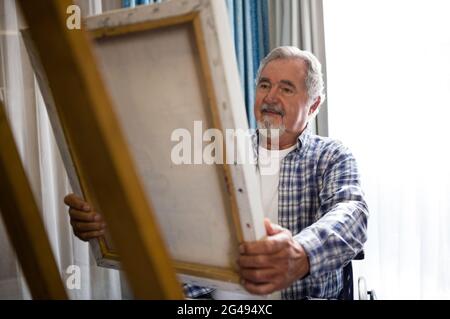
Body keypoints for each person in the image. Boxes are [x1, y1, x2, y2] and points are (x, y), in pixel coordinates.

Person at [64, 46, 368, 300]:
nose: (270, 97)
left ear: (313, 104)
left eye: (286, 88)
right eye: (264, 85)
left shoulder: (331, 155)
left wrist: (300, 252)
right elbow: (171, 218)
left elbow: (352, 214)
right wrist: (107, 225)